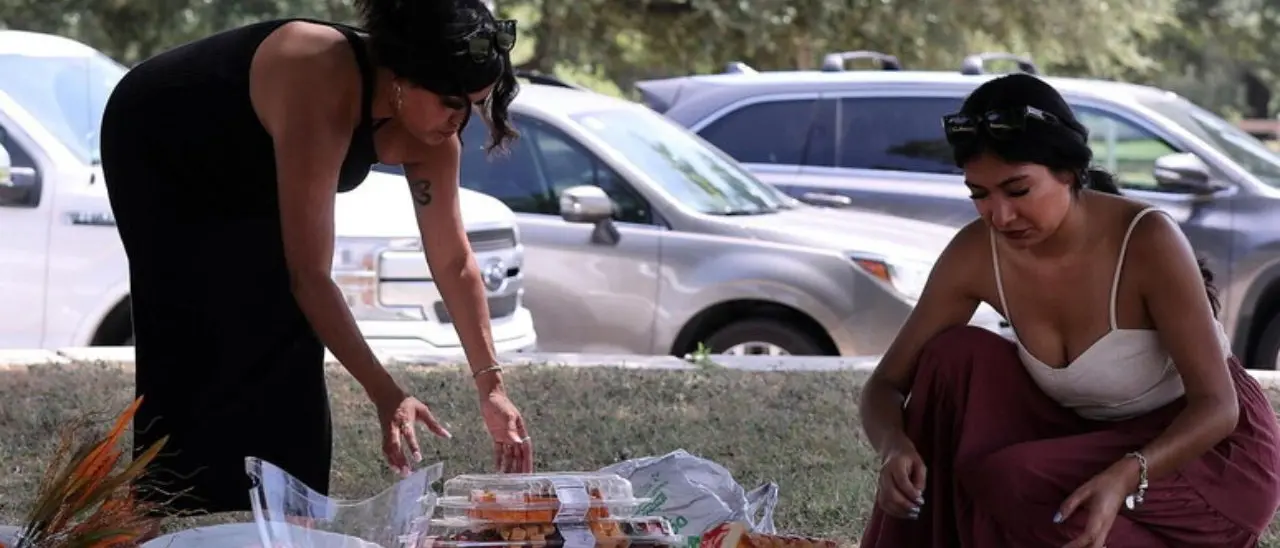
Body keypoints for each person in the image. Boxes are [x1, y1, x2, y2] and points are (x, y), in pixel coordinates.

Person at [98, 0, 534, 518]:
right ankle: (159, 516)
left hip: (258, 155)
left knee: (290, 340)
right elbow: (310, 277)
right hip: (165, 140)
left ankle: (291, 519)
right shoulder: (321, 75)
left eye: (475, 104)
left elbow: (453, 261)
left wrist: (492, 388)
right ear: (401, 78)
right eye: (449, 102)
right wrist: (386, 394)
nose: (459, 120)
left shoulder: (435, 133)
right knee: (196, 325)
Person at [856, 73, 1280, 547]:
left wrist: (1126, 475)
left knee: (1012, 481)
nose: (999, 216)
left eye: (1018, 191)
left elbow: (1219, 407)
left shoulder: (1147, 240)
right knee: (953, 357)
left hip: (1204, 453)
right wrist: (893, 446)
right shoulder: (977, 253)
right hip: (1081, 435)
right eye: (979, 194)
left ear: (1070, 171)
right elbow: (885, 385)